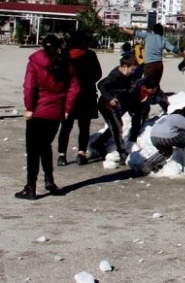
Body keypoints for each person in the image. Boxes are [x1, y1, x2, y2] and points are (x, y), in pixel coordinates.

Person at [16, 35, 79, 200]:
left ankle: (31, 187)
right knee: (45, 146)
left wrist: (29, 108)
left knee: (33, 151)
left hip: (38, 112)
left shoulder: (35, 62)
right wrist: (67, 108)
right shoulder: (66, 64)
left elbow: (29, 87)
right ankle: (49, 181)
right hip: (55, 113)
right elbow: (75, 88)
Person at [57, 31, 102, 166]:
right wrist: (87, 81)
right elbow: (98, 74)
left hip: (68, 95)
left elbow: (58, 74)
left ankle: (62, 155)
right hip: (86, 95)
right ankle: (81, 153)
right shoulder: (90, 55)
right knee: (84, 126)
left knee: (65, 126)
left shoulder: (65, 55)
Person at [90, 55, 138, 159]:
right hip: (106, 104)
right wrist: (109, 98)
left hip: (116, 104)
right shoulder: (115, 75)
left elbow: (128, 87)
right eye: (132, 69)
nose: (133, 72)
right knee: (117, 126)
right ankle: (121, 151)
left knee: (115, 125)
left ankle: (98, 144)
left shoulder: (127, 75)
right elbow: (101, 84)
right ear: (125, 66)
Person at [122, 23, 179, 91]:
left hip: (149, 65)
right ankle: (155, 98)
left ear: (153, 30)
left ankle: (146, 99)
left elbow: (134, 33)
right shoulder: (163, 40)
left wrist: (125, 29)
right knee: (155, 85)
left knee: (146, 86)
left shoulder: (148, 35)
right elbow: (175, 50)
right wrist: (184, 54)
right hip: (159, 65)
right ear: (162, 32)